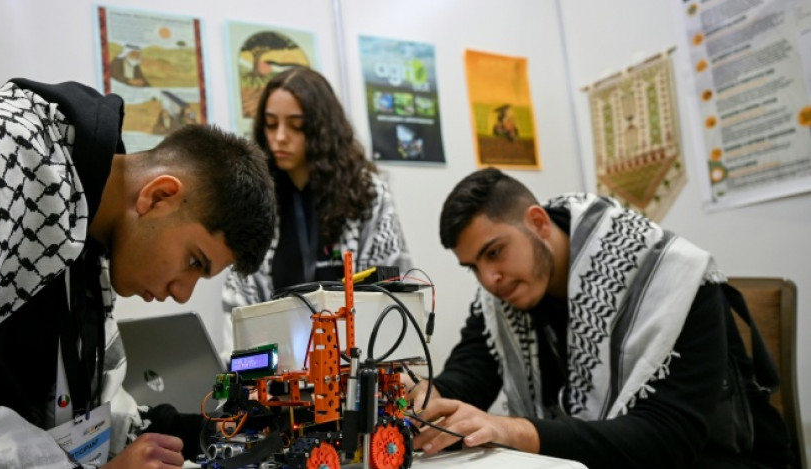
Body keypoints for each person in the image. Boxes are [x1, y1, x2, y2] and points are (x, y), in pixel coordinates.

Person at [0, 79, 276, 468]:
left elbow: (69, 408)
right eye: (194, 262)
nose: (183, 293)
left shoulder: (78, 230)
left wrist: (206, 432)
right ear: (159, 196)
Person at [407, 168, 795, 468]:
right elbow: (473, 368)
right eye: (472, 267)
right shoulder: (508, 288)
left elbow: (668, 439)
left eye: (494, 253)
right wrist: (429, 396)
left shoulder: (670, 279)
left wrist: (513, 430)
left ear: (539, 223)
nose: (488, 279)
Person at [221, 67, 411, 357]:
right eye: (271, 125)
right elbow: (239, 301)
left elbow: (392, 286)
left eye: (296, 125)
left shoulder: (367, 193)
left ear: (323, 129)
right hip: (281, 369)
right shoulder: (255, 198)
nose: (280, 137)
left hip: (355, 361)